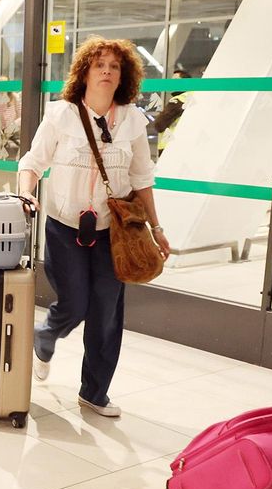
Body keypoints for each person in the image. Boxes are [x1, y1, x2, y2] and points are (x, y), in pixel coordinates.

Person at [17, 36, 170, 419]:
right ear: (84, 72)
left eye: (114, 66)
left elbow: (141, 178)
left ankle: (94, 392)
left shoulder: (133, 120)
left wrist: (157, 227)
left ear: (124, 77)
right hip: (64, 226)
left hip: (111, 232)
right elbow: (32, 162)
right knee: (74, 304)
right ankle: (46, 336)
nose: (106, 71)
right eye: (98, 64)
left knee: (106, 312)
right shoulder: (61, 114)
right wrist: (26, 194)